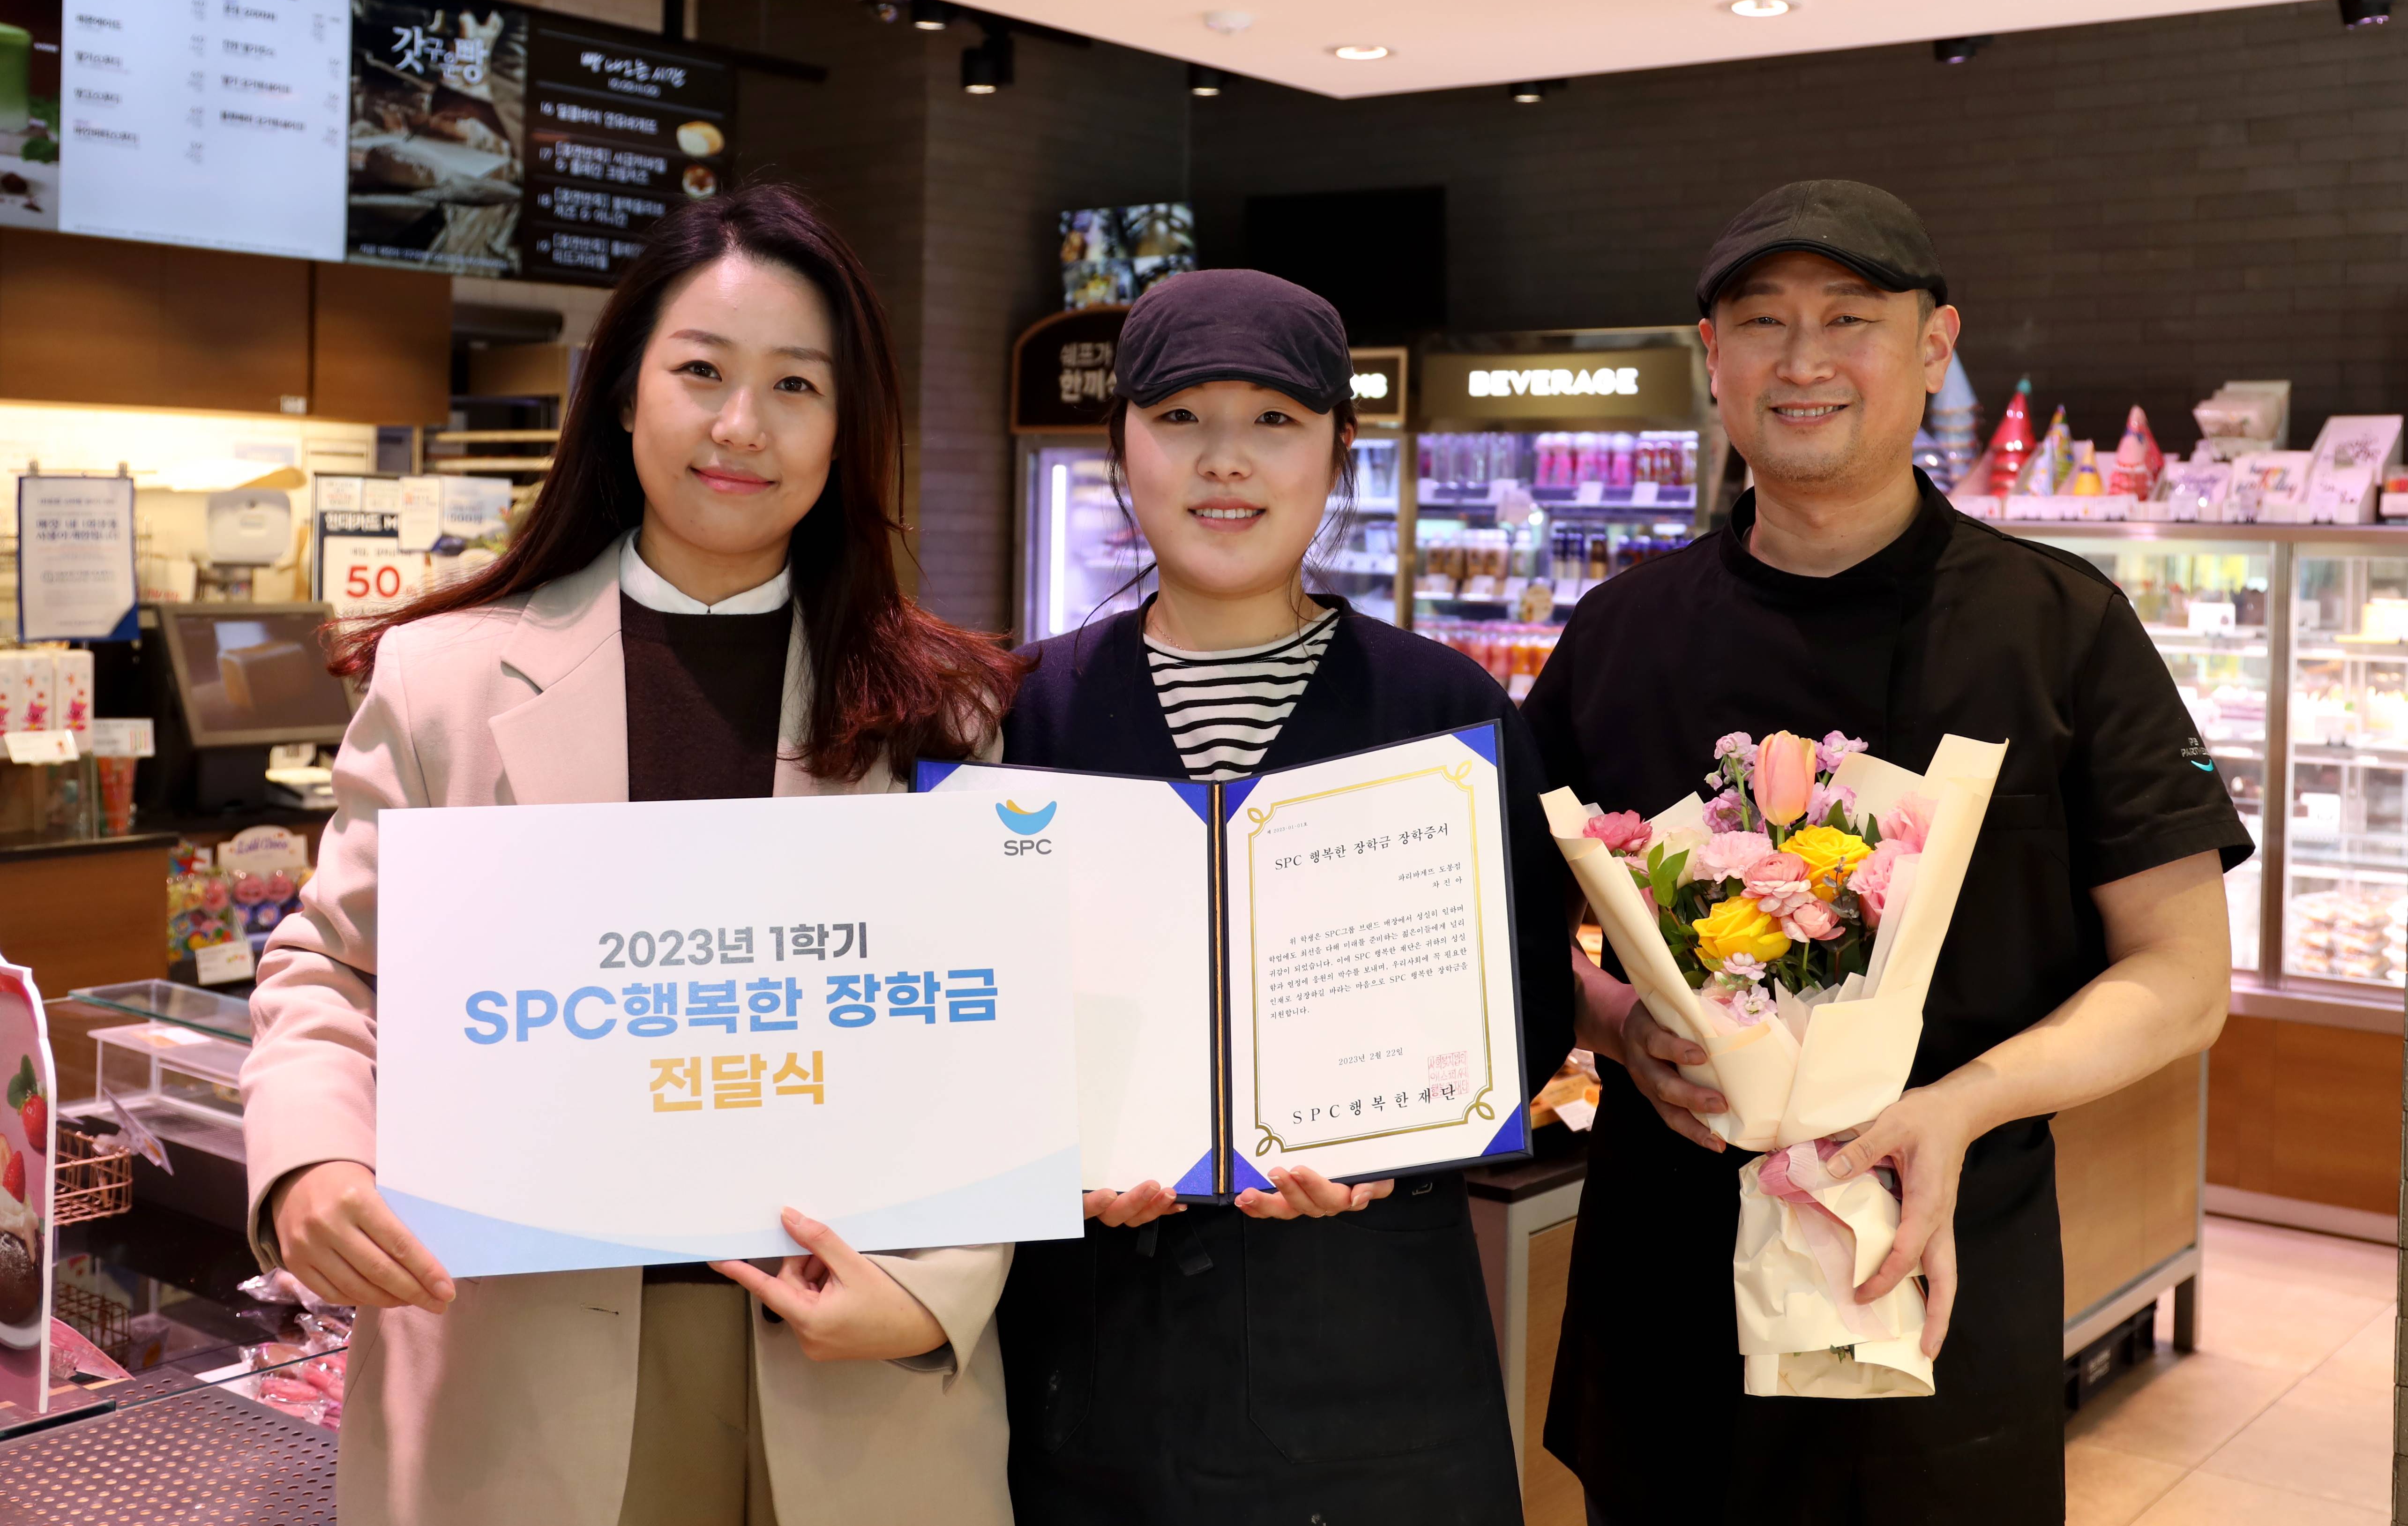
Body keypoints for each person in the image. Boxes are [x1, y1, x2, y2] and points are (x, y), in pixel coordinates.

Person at [238, 183, 1026, 1526]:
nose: (742, 425)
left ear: (848, 426)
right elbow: (334, 967)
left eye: (796, 385)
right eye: (701, 372)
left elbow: (995, 1027)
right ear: (619, 393)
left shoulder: (940, 710)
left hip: (851, 1365)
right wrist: (312, 1158)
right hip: (515, 1359)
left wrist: (937, 1290)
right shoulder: (444, 676)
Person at [1523, 180, 2250, 1524]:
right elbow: (1507, 931)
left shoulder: (2061, 628)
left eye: (1849, 318)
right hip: (1663, 1297)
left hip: (1937, 1277)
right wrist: (1614, 1024)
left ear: (1932, 346)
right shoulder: (1620, 634)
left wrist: (1958, 1106)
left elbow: (2181, 975)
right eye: (1762, 322)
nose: (1802, 360)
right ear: (1713, 358)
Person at [993, 268, 1574, 1524]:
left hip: (1370, 1347)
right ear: (1120, 444)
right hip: (1093, 1354)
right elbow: (970, 1021)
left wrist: (1399, 1137)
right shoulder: (1019, 712)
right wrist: (1040, 1159)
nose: (1225, 461)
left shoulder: (1442, 709)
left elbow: (1529, 1001)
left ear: (1339, 449)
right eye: (1179, 418)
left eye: (1273, 419)